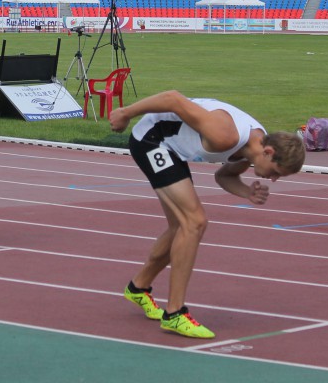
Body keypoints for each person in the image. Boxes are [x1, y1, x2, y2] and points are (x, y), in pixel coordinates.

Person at [108, 90, 305, 339]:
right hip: (151, 140)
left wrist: (247, 192)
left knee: (181, 228)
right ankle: (175, 314)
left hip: (172, 149)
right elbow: (172, 99)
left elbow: (224, 176)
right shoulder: (226, 135)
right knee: (194, 222)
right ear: (268, 153)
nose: (274, 179)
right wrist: (125, 113)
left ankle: (138, 287)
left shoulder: (252, 148)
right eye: (277, 172)